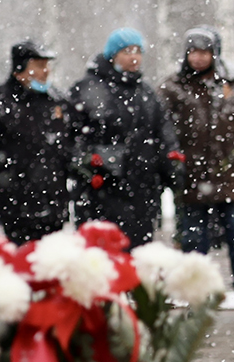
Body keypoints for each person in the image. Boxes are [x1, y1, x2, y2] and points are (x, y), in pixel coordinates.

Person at [159, 27, 234, 318]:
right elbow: (160, 125)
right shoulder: (172, 86)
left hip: (230, 175)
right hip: (190, 178)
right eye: (193, 52)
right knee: (194, 244)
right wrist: (170, 159)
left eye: (204, 52)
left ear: (214, 53)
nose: (198, 58)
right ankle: (197, 301)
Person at [67, 28, 177, 246]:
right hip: (100, 191)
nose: (134, 57)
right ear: (113, 55)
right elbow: (70, 136)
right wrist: (91, 162)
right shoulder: (88, 89)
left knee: (137, 256)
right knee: (101, 257)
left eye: (138, 51)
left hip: (141, 192)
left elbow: (163, 132)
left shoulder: (146, 93)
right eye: (127, 51)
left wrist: (170, 164)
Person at [0, 39, 72, 243]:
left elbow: (72, 140)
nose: (46, 71)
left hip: (54, 201)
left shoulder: (58, 100)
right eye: (39, 65)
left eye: (47, 65)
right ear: (19, 70)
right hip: (14, 203)